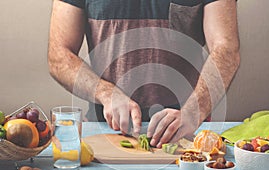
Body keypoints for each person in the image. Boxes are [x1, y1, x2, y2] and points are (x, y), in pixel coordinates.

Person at [48, 0, 240, 148]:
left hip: (187, 134)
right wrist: (106, 93)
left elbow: (227, 49)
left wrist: (193, 111)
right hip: (106, 131)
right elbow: (58, 54)